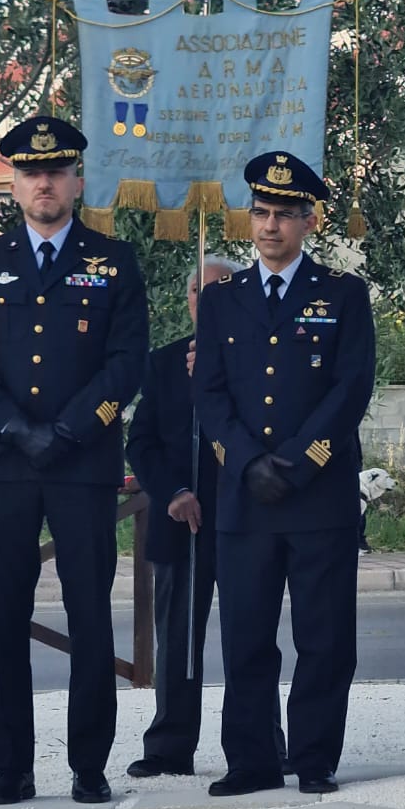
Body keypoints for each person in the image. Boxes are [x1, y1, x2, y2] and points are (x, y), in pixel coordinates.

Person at [0, 114, 148, 806]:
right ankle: (12, 768)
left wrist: (65, 432)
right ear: (14, 183)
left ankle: (89, 765)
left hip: (82, 461)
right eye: (32, 172)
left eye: (56, 171)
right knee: (4, 615)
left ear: (77, 180)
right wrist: (11, 427)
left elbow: (125, 366)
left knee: (89, 613)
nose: (44, 182)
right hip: (3, 463)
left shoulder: (114, 262)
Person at [194, 152, 375, 795]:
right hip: (245, 497)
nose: (270, 226)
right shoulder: (221, 302)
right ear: (250, 218)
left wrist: (297, 463)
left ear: (309, 220)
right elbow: (209, 395)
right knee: (246, 635)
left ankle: (314, 757)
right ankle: (251, 759)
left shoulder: (342, 295)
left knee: (323, 637)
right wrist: (246, 462)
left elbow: (351, 389)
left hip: (317, 494)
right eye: (261, 213)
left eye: (284, 215)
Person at [124, 257, 243, 778]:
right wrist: (171, 491)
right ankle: (169, 747)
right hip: (183, 519)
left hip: (242, 519)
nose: (206, 300)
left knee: (247, 637)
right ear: (189, 300)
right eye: (199, 291)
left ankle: (255, 742)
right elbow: (141, 442)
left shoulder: (258, 358)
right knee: (176, 638)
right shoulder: (164, 363)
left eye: (218, 291)